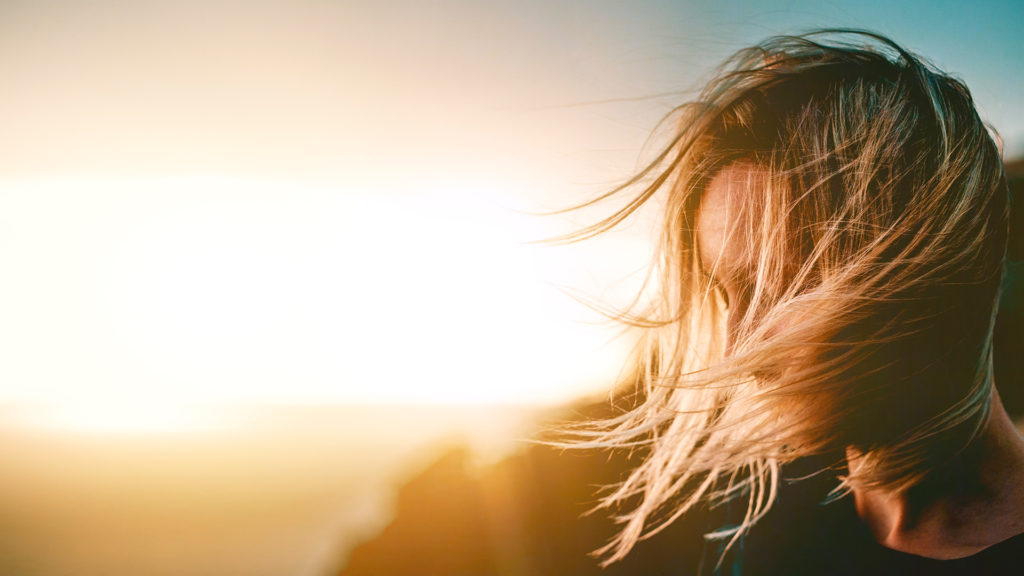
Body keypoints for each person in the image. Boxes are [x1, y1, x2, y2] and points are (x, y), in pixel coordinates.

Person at [563, 29, 1024, 574]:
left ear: (919, 272)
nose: (735, 348)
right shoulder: (752, 518)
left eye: (778, 288)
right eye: (726, 291)